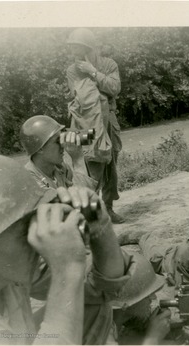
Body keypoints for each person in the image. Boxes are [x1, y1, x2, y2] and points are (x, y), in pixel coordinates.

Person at [0, 155, 133, 345]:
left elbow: (103, 290)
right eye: (24, 229)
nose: (38, 236)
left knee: (89, 305)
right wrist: (67, 268)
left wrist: (100, 224)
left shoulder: (9, 272)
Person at [66, 27, 125, 224]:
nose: (75, 55)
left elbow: (115, 88)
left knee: (111, 165)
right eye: (72, 50)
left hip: (109, 121)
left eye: (78, 49)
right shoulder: (72, 71)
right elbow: (84, 96)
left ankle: (108, 208)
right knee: (89, 166)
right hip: (85, 123)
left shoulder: (108, 64)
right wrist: (101, 91)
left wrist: (93, 72)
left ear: (89, 48)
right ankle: (89, 214)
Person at [20, 114, 97, 191]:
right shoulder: (29, 180)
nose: (63, 145)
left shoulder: (61, 168)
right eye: (57, 141)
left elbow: (91, 195)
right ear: (40, 148)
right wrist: (77, 160)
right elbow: (83, 200)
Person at [111, 249, 172, 345]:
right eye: (147, 295)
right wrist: (153, 338)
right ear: (126, 304)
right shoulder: (99, 335)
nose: (153, 298)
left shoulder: (110, 321)